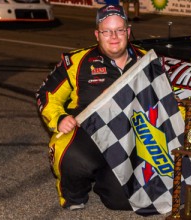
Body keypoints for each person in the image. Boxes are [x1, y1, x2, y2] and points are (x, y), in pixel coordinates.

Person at [36, 4, 146, 211]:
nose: (114, 36)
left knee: (121, 201)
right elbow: (46, 94)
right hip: (89, 133)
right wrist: (58, 118)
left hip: (133, 138)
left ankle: (107, 176)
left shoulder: (148, 61)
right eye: (107, 31)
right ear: (97, 34)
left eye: (119, 30)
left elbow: (169, 101)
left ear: (128, 32)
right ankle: (72, 191)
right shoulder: (76, 61)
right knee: (72, 157)